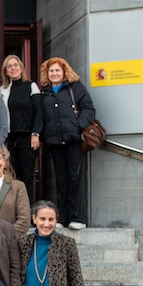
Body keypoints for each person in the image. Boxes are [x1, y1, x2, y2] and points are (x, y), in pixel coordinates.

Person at [39, 57, 96, 230]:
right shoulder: (44, 92)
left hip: (74, 141)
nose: (54, 73)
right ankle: (62, 218)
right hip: (55, 143)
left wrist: (78, 127)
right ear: (47, 74)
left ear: (64, 72)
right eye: (51, 71)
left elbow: (88, 108)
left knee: (76, 179)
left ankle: (77, 218)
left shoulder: (75, 87)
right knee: (61, 181)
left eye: (57, 70)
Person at [0, 55, 42, 201]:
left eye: (15, 65)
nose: (13, 68)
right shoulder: (3, 90)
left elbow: (39, 112)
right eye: (9, 66)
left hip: (28, 137)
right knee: (13, 176)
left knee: (27, 176)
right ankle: (17, 210)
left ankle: (29, 212)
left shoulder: (31, 86)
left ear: (21, 68)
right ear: (5, 71)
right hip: (10, 138)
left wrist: (35, 133)